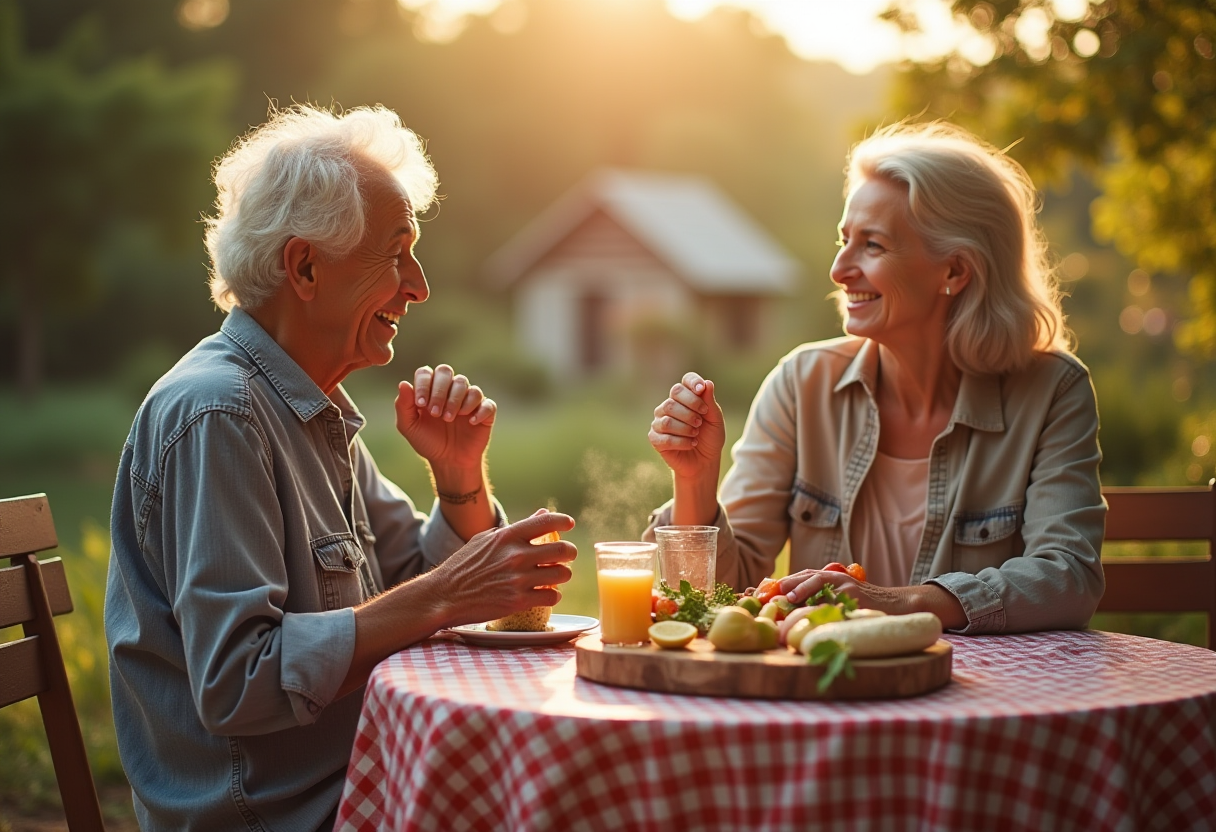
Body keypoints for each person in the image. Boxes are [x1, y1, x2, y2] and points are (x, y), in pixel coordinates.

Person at [104, 104, 577, 831]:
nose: (418, 286)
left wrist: (458, 480)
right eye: (396, 253)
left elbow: (414, 575)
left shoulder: (308, 408)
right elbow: (239, 683)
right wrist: (443, 595)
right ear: (304, 267)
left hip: (350, 779)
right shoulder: (221, 414)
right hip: (280, 814)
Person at [646, 121, 1104, 634]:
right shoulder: (802, 383)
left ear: (954, 271)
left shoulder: (1052, 392)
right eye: (844, 240)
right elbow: (715, 592)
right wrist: (694, 479)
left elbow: (1068, 576)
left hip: (979, 701)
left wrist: (892, 601)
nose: (839, 269)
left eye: (873, 246)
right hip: (824, 693)